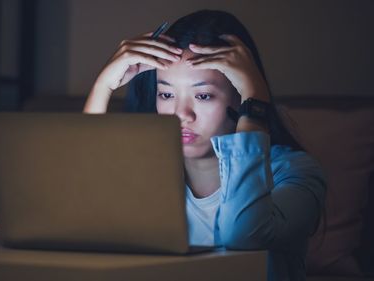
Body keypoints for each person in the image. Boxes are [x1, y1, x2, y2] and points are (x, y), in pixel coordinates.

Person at [83, 10, 326, 281]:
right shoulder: (147, 172)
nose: (182, 114)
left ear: (240, 95)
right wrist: (103, 85)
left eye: (203, 95)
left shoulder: (294, 172)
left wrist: (255, 104)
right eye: (166, 94)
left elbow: (244, 235)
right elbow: (81, 209)